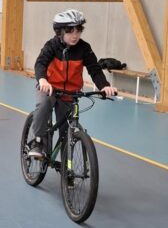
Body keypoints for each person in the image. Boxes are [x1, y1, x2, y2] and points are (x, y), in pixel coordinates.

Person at [27, 9, 117, 159]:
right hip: (49, 88)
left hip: (70, 93)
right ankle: (38, 142)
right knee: (44, 105)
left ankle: (66, 166)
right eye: (70, 31)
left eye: (78, 30)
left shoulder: (84, 48)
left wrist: (104, 86)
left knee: (67, 131)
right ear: (60, 31)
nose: (75, 35)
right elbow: (40, 63)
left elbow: (94, 69)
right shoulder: (52, 45)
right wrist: (42, 79)